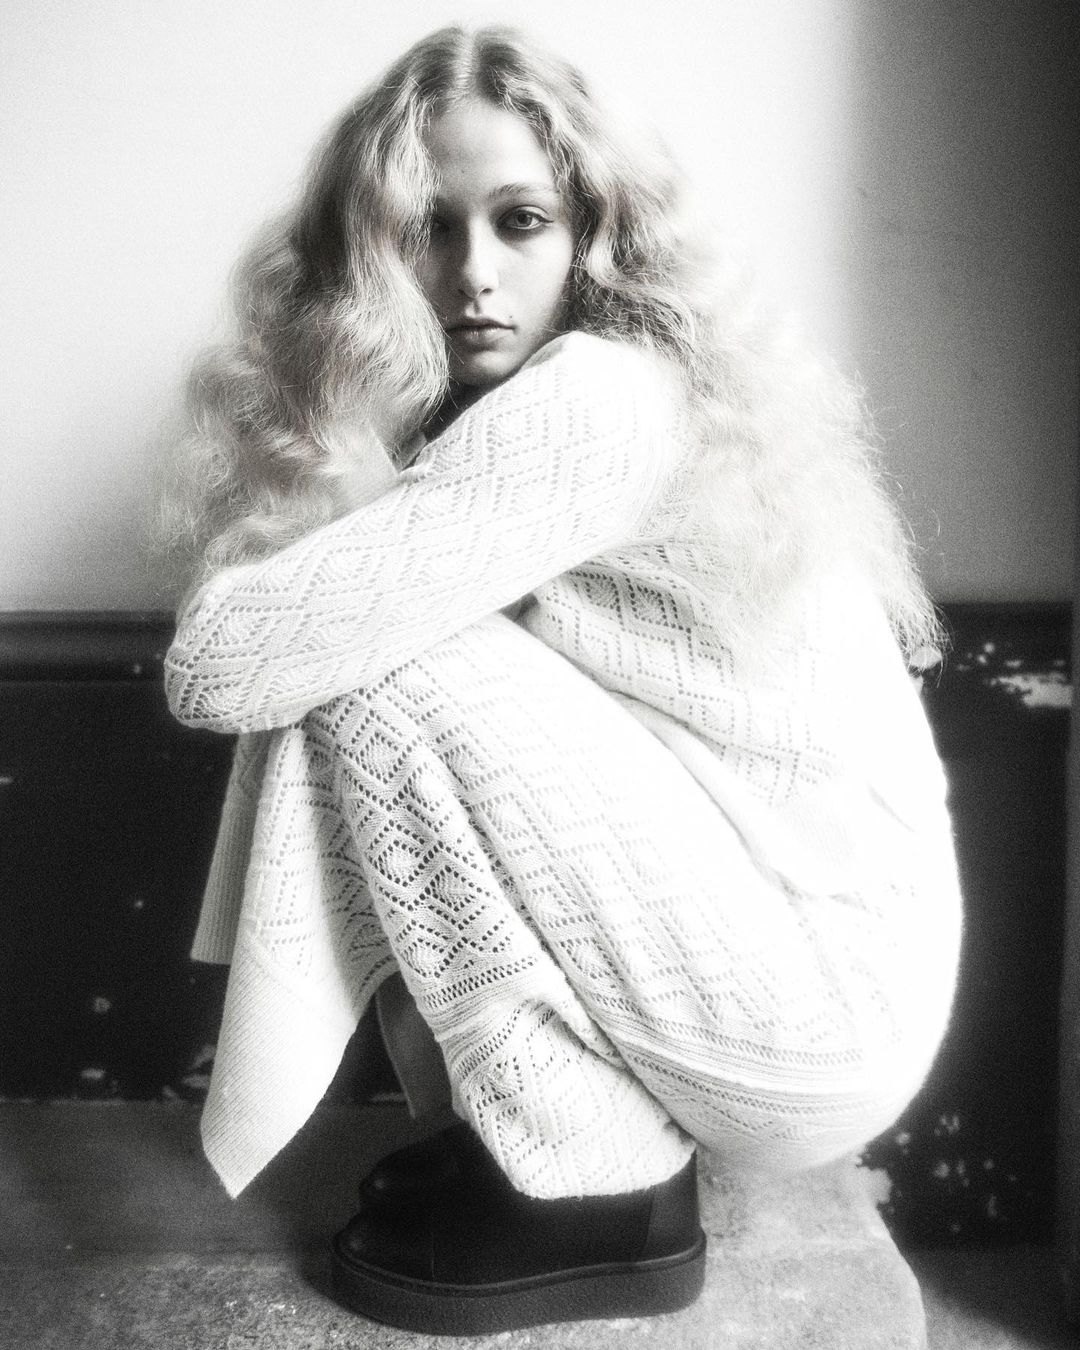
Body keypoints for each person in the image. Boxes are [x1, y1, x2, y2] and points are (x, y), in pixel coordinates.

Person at [161, 23, 962, 1337]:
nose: (473, 273)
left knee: (367, 654)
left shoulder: (598, 401)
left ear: (593, 234)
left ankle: (591, 1177)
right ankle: (555, 1139)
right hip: (828, 994)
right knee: (364, 629)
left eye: (520, 221)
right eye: (427, 229)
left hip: (811, 1011)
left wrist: (336, 504)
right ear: (372, 256)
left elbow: (219, 666)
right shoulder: (590, 395)